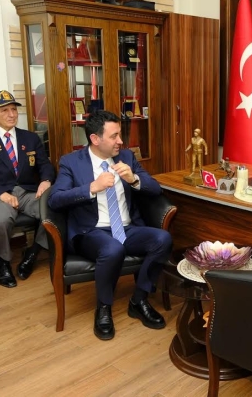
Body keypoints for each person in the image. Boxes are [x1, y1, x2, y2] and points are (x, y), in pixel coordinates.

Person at [48, 110, 172, 340]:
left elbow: (155, 189)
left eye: (120, 135)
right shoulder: (71, 162)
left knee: (163, 239)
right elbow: (55, 200)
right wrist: (91, 188)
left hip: (127, 228)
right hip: (91, 231)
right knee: (112, 248)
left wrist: (134, 179)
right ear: (95, 139)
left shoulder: (126, 157)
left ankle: (139, 300)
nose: (120, 141)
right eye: (114, 136)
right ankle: (103, 307)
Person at [0, 90, 54, 288]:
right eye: (4, 110)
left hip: (27, 192)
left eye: (14, 109)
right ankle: (3, 263)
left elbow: (45, 165)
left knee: (54, 207)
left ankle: (33, 253)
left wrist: (46, 180)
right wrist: (1, 194)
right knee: (1, 219)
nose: (11, 114)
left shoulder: (30, 138)